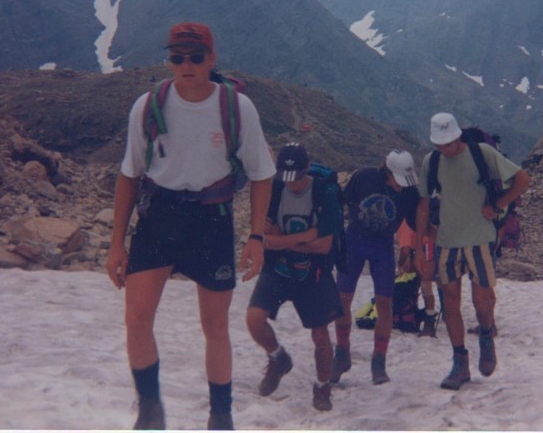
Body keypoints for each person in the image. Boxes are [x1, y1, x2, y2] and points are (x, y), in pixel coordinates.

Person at [104, 22, 276, 430]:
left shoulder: (236, 108)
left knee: (215, 325)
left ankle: (221, 416)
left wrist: (256, 237)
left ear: (212, 60)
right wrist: (116, 244)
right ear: (169, 60)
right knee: (137, 318)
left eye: (196, 57)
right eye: (177, 57)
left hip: (210, 220)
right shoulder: (148, 106)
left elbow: (261, 174)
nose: (186, 65)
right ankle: (150, 409)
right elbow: (129, 174)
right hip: (158, 216)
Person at [414, 112, 530, 390]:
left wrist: (498, 206)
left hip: (480, 239)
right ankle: (460, 362)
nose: (446, 149)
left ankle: (487, 336)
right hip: (447, 242)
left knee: (482, 301)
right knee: (450, 303)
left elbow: (522, 179)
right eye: (440, 145)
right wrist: (420, 244)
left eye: (450, 143)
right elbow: (423, 203)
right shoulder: (432, 162)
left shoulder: (482, 153)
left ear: (458, 136)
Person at [246, 143, 344, 412]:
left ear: (307, 169)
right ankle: (278, 358)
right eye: (288, 178)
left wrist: (282, 239)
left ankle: (323, 385)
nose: (294, 185)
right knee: (254, 319)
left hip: (314, 272)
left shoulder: (324, 192)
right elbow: (265, 239)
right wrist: (304, 237)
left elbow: (324, 245)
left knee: (321, 335)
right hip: (278, 269)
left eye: (299, 178)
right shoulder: (275, 189)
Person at [331, 150, 421, 385]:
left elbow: (415, 222)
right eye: (397, 181)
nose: (401, 187)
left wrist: (412, 248)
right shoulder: (365, 177)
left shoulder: (409, 191)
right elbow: (342, 202)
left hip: (382, 247)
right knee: (343, 300)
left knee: (385, 304)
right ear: (387, 172)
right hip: (354, 242)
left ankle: (379, 360)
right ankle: (341, 352)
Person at [396, 218, 438, 336]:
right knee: (416, 283)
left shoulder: (403, 223)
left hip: (427, 246)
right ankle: (412, 314)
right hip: (423, 246)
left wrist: (400, 263)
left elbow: (405, 249)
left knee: (425, 286)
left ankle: (429, 322)